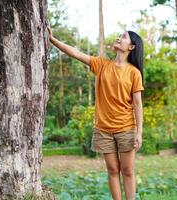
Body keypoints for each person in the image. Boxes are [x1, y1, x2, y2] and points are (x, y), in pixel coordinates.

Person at [47, 26, 144, 200]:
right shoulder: (101, 64)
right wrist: (53, 40)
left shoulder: (134, 73)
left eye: (123, 37)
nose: (118, 37)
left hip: (126, 127)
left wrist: (139, 132)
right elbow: (75, 54)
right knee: (113, 170)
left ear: (131, 47)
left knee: (127, 170)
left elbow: (137, 103)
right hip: (103, 129)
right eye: (119, 35)